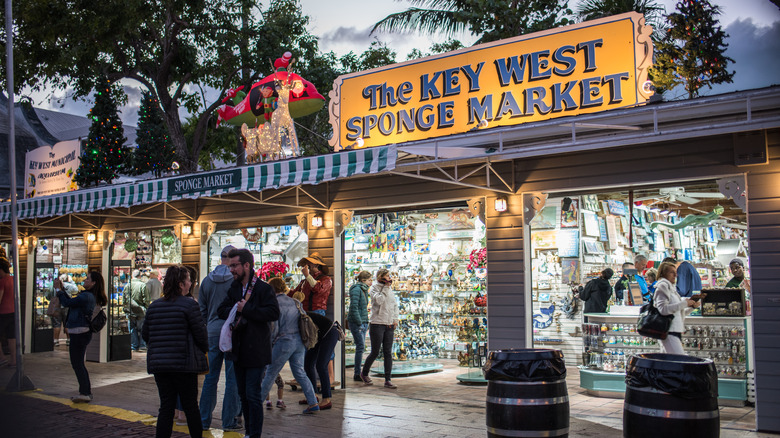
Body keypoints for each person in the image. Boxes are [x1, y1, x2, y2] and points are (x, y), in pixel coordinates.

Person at [217, 248, 280, 438]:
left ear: (247, 265)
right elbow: (221, 310)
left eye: (234, 266)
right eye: (230, 266)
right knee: (243, 394)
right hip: (238, 349)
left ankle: (255, 434)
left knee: (253, 395)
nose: (231, 270)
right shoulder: (235, 288)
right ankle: (248, 433)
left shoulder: (263, 288)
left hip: (256, 350)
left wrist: (248, 309)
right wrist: (237, 309)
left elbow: (273, 313)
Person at [142, 265, 208, 438]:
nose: (190, 284)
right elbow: (200, 334)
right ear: (181, 284)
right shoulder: (189, 304)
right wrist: (202, 349)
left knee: (166, 407)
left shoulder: (154, 306)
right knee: (191, 406)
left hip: (160, 365)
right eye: (188, 280)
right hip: (184, 363)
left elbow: (145, 334)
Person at [198, 245, 242, 432]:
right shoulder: (236, 281)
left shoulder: (207, 281)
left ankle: (203, 420)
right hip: (231, 332)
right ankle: (229, 421)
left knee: (210, 378)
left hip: (211, 331)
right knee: (232, 378)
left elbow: (201, 311)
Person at [259, 277, 319, 414]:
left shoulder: (274, 304)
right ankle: (313, 402)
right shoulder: (296, 302)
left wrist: (269, 344)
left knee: (270, 373)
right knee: (300, 372)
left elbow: (274, 328)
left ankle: (257, 404)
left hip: (284, 342)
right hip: (299, 342)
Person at [55, 270, 108, 403]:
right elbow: (70, 301)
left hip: (80, 332)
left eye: (87, 279)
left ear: (93, 283)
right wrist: (61, 290)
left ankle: (85, 392)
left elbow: (68, 303)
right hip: (81, 331)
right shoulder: (89, 296)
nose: (84, 280)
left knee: (77, 363)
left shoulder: (87, 296)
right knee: (78, 363)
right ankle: (85, 391)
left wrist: (58, 290)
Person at [359, 269, 399, 389]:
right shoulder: (374, 288)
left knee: (388, 352)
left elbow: (394, 305)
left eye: (389, 276)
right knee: (375, 351)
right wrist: (385, 287)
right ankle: (364, 373)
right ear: (380, 277)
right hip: (377, 323)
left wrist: (395, 319)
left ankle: (388, 379)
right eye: (386, 276)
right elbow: (380, 300)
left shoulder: (390, 289)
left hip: (389, 324)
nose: (389, 278)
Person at [653, 261, 700, 355]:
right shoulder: (662, 286)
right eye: (671, 272)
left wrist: (691, 307)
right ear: (663, 273)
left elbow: (677, 312)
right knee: (679, 359)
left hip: (674, 330)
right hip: (668, 331)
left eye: (675, 272)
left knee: (668, 361)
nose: (675, 275)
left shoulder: (672, 288)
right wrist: (685, 303)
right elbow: (663, 309)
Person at [304, 311, 342, 407]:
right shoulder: (297, 315)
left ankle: (327, 399)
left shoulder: (302, 316)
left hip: (330, 332)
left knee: (321, 366)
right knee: (308, 364)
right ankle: (313, 395)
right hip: (319, 335)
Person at [347, 271, 371, 381]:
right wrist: (359, 322)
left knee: (360, 347)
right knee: (360, 346)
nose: (371, 282)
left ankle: (358, 372)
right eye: (370, 280)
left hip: (363, 321)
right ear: (363, 280)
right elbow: (354, 307)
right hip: (358, 322)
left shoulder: (364, 290)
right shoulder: (357, 289)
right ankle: (357, 373)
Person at [126, 269, 150, 351]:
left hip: (130, 311)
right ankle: (142, 345)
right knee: (142, 328)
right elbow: (146, 299)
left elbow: (124, 299)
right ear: (140, 276)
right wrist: (146, 308)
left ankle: (134, 346)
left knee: (132, 329)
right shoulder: (142, 285)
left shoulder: (128, 285)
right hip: (141, 310)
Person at [0, 258, 17, 368]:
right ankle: (14, 359)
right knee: (12, 337)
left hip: (2, 312)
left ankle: (2, 358)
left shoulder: (2, 281)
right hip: (13, 312)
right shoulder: (13, 279)